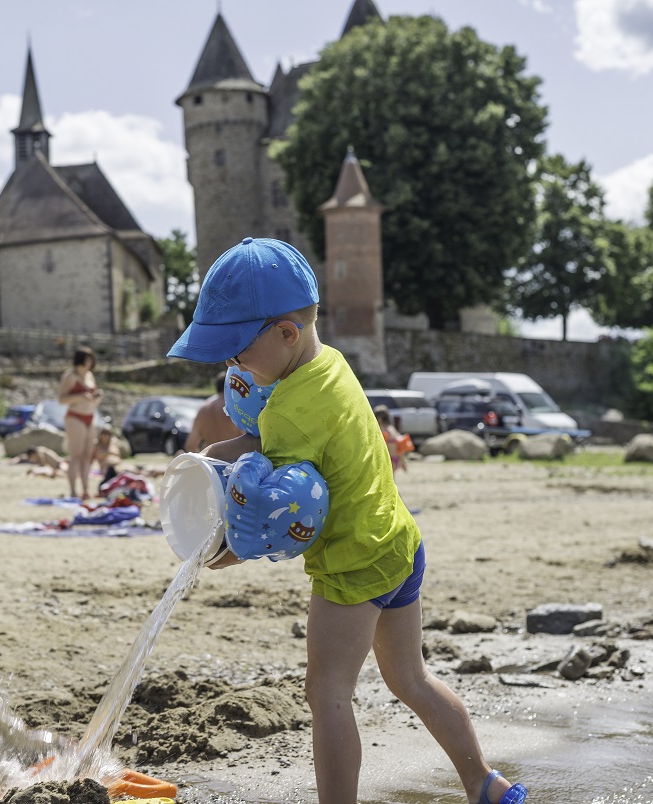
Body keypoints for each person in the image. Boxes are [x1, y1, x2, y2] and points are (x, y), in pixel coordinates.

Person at [167, 238, 527, 804]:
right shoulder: (328, 363)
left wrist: (222, 550)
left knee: (328, 692)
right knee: (412, 679)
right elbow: (269, 440)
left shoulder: (288, 410)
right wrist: (223, 451)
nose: (230, 365)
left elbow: (280, 514)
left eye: (235, 351)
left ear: (286, 332)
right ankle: (484, 781)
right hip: (398, 545)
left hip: (351, 567)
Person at [57, 346, 102, 499]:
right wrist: (81, 396)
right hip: (75, 416)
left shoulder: (89, 376)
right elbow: (61, 399)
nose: (89, 362)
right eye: (87, 359)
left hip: (90, 415)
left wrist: (95, 398)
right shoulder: (70, 376)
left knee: (88, 455)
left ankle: (85, 489)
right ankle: (73, 490)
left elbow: (91, 397)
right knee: (76, 454)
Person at [184, 371, 242, 453]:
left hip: (211, 462)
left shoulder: (204, 408)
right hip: (234, 462)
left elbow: (190, 445)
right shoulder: (236, 408)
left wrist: (202, 460)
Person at [374, 404, 410, 477]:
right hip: (395, 459)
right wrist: (402, 461)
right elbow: (400, 445)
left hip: (387, 460)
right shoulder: (392, 429)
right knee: (391, 481)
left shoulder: (383, 430)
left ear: (380, 418)